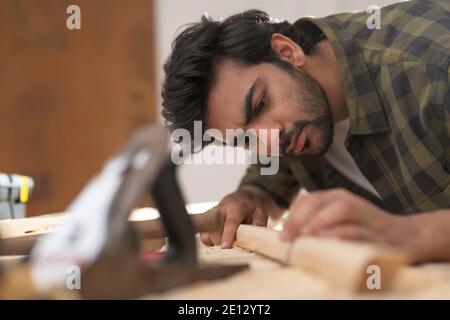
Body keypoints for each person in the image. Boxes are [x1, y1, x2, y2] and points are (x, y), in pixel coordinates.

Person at [161, 0, 450, 262]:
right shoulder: (296, 113)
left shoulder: (433, 69)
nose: (270, 140)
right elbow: (270, 178)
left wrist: (407, 235)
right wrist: (250, 198)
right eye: (244, 139)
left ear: (287, 52)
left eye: (260, 105)